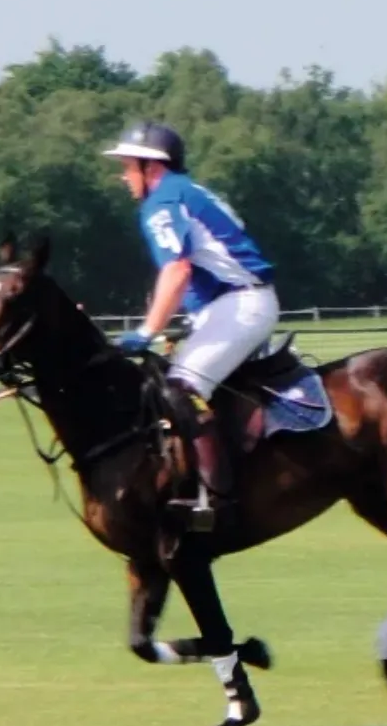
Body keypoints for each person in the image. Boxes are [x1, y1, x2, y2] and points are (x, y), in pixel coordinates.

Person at [108, 120, 279, 531]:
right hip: (230, 304)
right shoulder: (186, 191)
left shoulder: (163, 203)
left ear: (151, 166)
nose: (123, 176)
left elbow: (178, 271)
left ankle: (214, 499)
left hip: (241, 304)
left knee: (181, 388)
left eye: (128, 167)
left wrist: (147, 331)